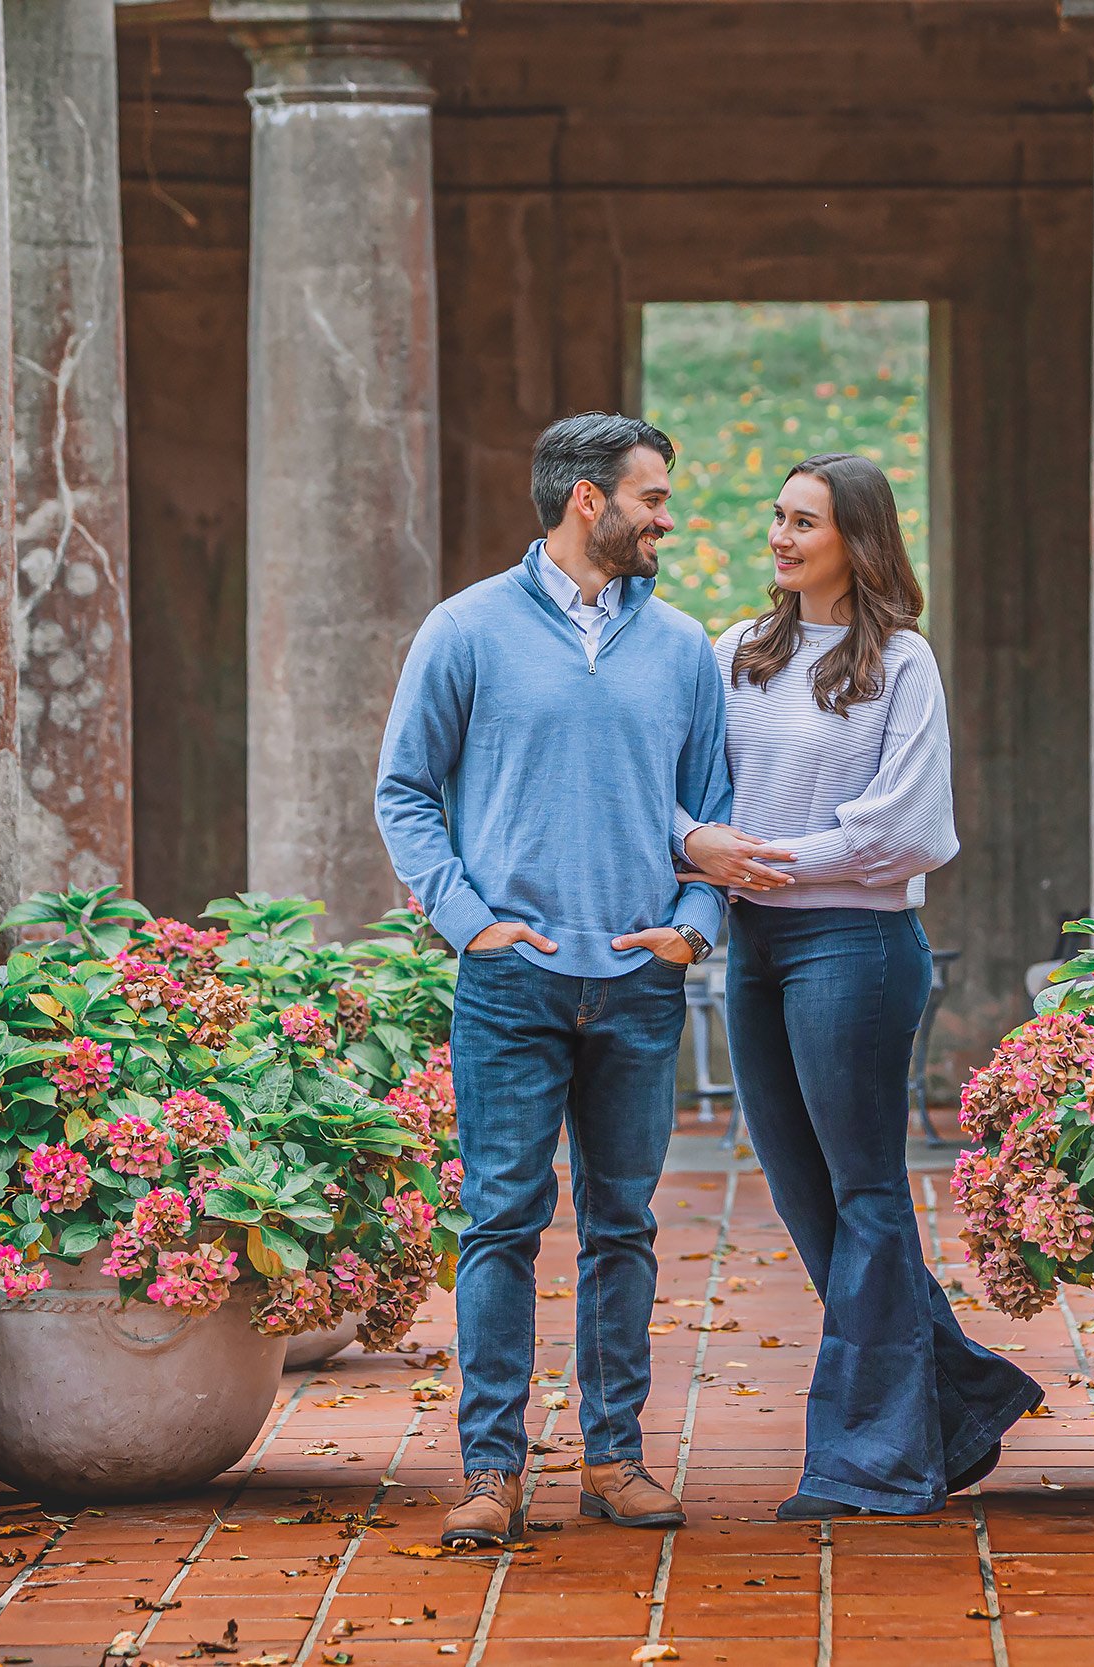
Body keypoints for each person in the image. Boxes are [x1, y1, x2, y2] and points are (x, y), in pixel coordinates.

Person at [374, 413, 731, 1548]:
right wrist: (469, 923)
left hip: (636, 984)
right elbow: (405, 792)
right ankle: (491, 1468)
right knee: (501, 1225)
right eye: (651, 497)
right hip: (510, 984)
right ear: (589, 500)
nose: (666, 516)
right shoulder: (465, 628)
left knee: (621, 1224)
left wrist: (693, 923)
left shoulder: (681, 646)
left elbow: (712, 814)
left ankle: (616, 1459)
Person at [676, 453, 1043, 1519]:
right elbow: (678, 785)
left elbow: (910, 827)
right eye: (777, 518)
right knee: (806, 1195)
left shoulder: (902, 663)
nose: (781, 538)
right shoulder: (733, 652)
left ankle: (869, 1459)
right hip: (759, 948)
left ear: (858, 540)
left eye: (805, 522)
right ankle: (961, 1398)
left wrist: (764, 858)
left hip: (856, 949)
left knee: (866, 1192)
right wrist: (700, 846)